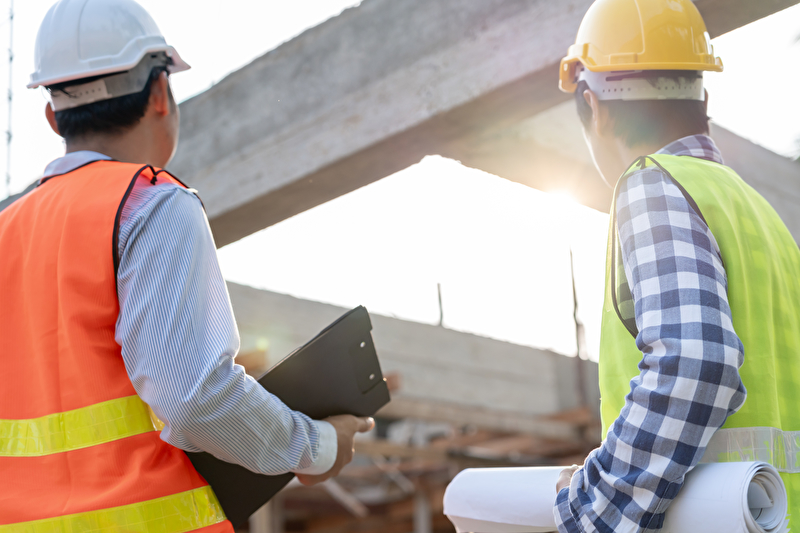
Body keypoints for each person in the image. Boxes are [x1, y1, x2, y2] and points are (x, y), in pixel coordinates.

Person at [0, 0, 372, 530]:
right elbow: (192, 396)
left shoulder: (6, 231)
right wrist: (315, 446)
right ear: (159, 93)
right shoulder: (151, 203)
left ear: (51, 114)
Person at [553, 0, 800, 530]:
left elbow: (695, 363)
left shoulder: (654, 183)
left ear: (593, 105)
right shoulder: (766, 219)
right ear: (702, 96)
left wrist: (594, 504)